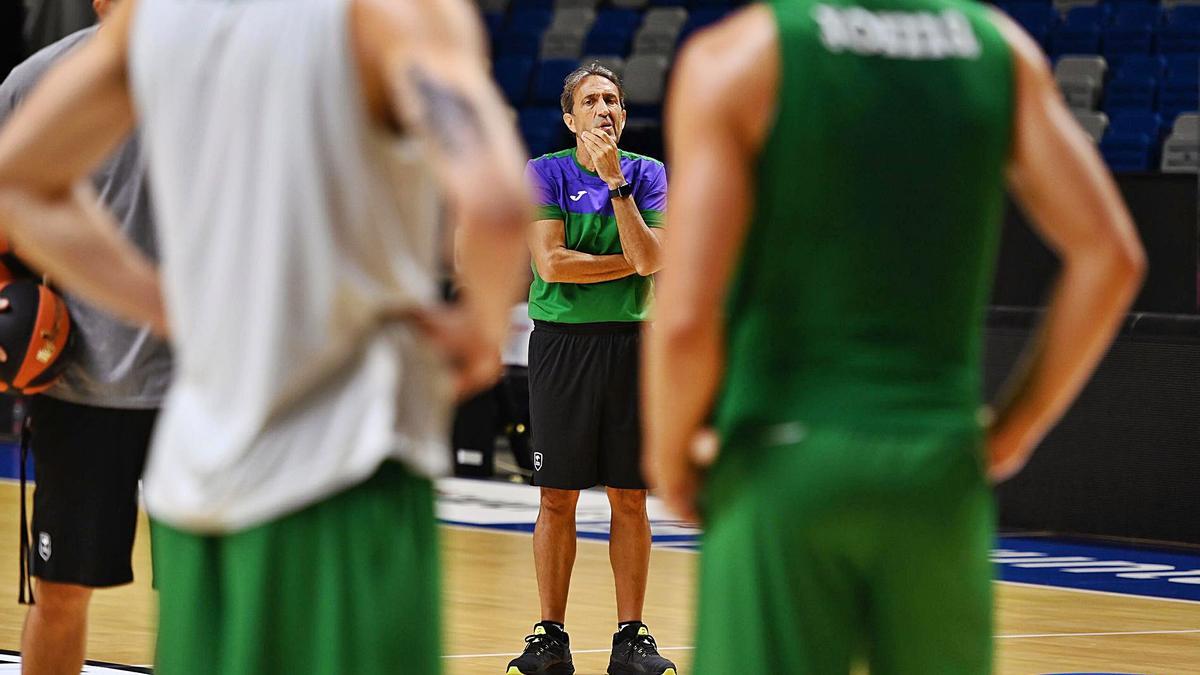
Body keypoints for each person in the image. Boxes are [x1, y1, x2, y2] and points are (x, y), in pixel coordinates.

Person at [0, 0, 530, 672]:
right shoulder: (399, 15)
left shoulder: (156, 26)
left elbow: (17, 178)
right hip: (349, 467)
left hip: (204, 467)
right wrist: (481, 331)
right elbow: (497, 205)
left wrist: (165, 306)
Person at [643, 2, 1146, 674]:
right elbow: (1111, 256)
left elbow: (683, 319)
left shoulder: (741, 56)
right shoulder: (1001, 51)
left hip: (782, 462)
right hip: (937, 468)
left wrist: (671, 454)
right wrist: (1012, 429)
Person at [0, 0, 171, 672]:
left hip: (200, 391)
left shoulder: (229, 80)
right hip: (78, 387)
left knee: (199, 595)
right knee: (62, 592)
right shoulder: (37, 83)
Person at [508, 63, 676, 675]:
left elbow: (653, 257)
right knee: (557, 496)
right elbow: (551, 265)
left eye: (614, 100)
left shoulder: (646, 174)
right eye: (592, 101)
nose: (605, 109)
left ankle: (630, 639)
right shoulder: (544, 172)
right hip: (563, 345)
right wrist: (633, 262)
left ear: (624, 115)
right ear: (570, 118)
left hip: (634, 344)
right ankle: (549, 638)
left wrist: (616, 187)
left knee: (631, 496)